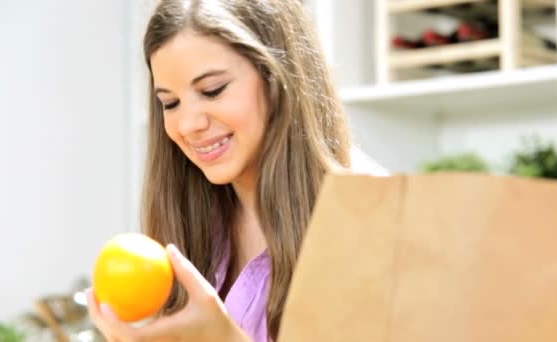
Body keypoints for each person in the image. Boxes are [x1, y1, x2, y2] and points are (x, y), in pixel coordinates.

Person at [86, 0, 385, 341]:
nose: (188, 124)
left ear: (277, 77)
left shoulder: (372, 218)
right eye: (170, 103)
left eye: (213, 90)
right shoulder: (194, 223)